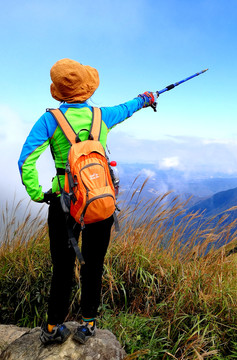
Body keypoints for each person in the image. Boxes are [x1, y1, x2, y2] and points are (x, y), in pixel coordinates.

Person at [18, 58, 158, 345]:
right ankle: (89, 325)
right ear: (87, 87)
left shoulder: (50, 120)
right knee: (94, 264)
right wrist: (147, 98)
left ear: (59, 91)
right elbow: (131, 106)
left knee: (62, 267)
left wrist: (38, 193)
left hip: (64, 204)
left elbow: (26, 161)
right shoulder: (101, 115)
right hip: (99, 201)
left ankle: (52, 327)